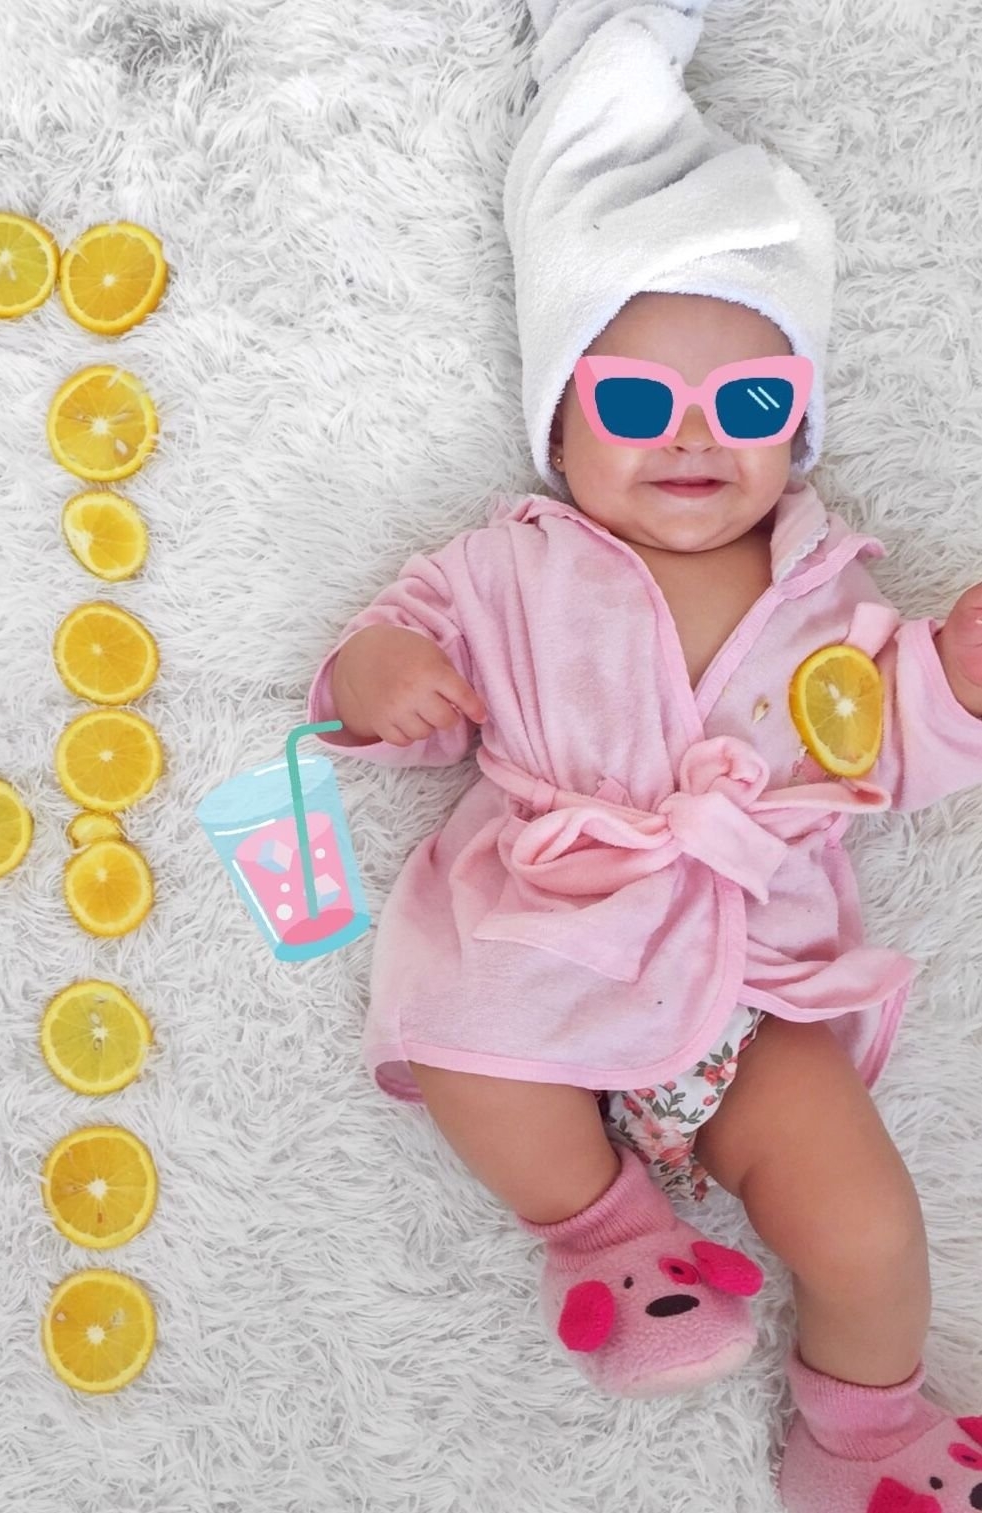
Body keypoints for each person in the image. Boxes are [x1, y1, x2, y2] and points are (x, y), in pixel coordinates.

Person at [303, 3, 982, 1508]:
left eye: (750, 407)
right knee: (463, 1037)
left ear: (799, 431)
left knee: (865, 1218)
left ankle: (861, 1429)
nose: (692, 440)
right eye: (633, 404)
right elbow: (384, 652)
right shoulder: (510, 562)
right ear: (561, 430)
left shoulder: (828, 592)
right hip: (550, 936)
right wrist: (383, 674)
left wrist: (954, 685)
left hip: (758, 984)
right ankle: (609, 1236)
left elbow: (888, 749)